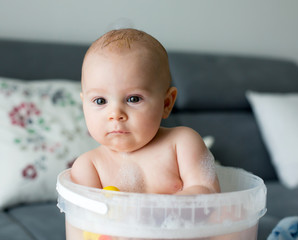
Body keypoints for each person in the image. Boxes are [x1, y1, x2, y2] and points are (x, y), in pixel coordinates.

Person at [71, 28, 220, 195]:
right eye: (100, 101)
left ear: (166, 103)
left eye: (133, 99)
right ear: (84, 105)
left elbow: (207, 193)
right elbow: (84, 218)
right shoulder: (89, 167)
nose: (115, 114)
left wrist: (166, 210)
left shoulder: (182, 144)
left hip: (179, 221)